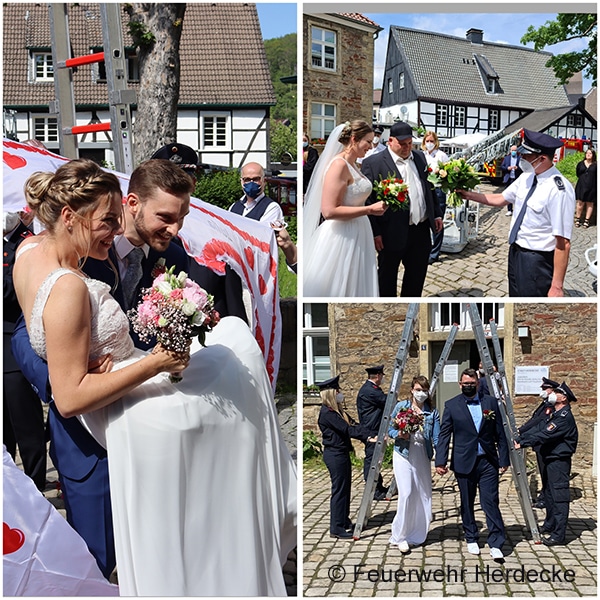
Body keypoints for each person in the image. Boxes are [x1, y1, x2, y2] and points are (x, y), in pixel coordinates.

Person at [12, 159, 296, 595]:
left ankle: (250, 519)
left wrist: (192, 324)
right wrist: (64, 378)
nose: (175, 229)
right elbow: (24, 329)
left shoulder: (172, 253)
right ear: (131, 205)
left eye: (182, 218)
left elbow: (191, 310)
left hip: (148, 419)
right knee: (94, 561)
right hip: (90, 431)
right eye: (165, 217)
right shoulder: (77, 255)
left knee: (172, 534)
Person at [458, 129, 575, 297]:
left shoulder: (558, 189)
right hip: (516, 252)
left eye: (526, 156)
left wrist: (557, 286)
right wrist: (468, 194)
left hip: (537, 260)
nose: (522, 159)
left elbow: (563, 242)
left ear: (542, 158)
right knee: (516, 296)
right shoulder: (527, 177)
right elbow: (500, 199)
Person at [150, 142, 248, 324]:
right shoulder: (143, 232)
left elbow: (232, 303)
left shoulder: (215, 229)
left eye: (181, 180)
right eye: (166, 181)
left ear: (193, 183)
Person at [303, 120, 388, 297]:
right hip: (342, 235)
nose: (371, 146)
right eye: (368, 141)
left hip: (359, 231)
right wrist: (369, 210)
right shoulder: (339, 165)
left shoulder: (354, 165)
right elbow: (329, 211)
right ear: (354, 139)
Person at [362, 121, 444, 297]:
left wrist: (436, 214)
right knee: (386, 278)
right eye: (402, 144)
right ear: (390, 141)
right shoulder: (374, 163)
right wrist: (375, 233)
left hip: (420, 230)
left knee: (416, 278)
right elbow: (368, 201)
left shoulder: (420, 158)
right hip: (390, 231)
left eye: (409, 143)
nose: (407, 148)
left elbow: (428, 188)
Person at [435, 368, 509, 559]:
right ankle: (471, 536)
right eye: (465, 384)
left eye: (472, 383)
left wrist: (504, 458)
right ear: (460, 385)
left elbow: (500, 432)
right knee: (467, 502)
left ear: (478, 384)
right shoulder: (451, 405)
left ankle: (496, 541)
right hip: (464, 461)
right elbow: (444, 435)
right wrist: (440, 461)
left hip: (487, 461)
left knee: (490, 501)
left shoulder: (490, 403)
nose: (468, 386)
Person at [3, 210, 47, 492]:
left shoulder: (28, 244)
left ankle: (36, 490)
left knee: (27, 426)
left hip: (14, 343)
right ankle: (9, 493)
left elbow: (11, 291)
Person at [515, 381, 578, 546]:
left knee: (559, 497)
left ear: (563, 398)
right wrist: (521, 437)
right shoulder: (556, 414)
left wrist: (522, 442)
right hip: (550, 459)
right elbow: (539, 429)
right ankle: (550, 524)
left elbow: (545, 435)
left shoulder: (563, 417)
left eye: (556, 392)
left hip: (558, 461)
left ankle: (559, 534)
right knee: (549, 494)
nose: (552, 394)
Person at [387, 376, 440, 553]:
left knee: (423, 494)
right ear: (411, 389)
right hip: (403, 453)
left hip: (422, 455)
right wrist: (399, 434)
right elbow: (389, 429)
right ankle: (400, 535)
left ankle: (417, 533)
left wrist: (441, 459)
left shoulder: (432, 412)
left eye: (424, 390)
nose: (421, 393)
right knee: (407, 493)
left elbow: (437, 438)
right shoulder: (401, 407)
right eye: (418, 389)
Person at [317, 375, 374, 539]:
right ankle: (336, 527)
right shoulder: (328, 414)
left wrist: (370, 434)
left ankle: (343, 520)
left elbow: (355, 425)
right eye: (337, 390)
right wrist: (368, 438)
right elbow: (347, 430)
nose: (340, 393)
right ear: (331, 394)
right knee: (339, 490)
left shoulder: (338, 411)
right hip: (334, 455)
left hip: (341, 453)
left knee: (345, 488)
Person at [518, 377, 559, 509]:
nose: (542, 391)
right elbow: (534, 419)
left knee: (546, 473)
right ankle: (544, 496)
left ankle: (546, 499)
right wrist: (521, 430)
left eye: (544, 388)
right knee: (543, 472)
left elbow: (539, 423)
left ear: (551, 390)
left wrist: (523, 433)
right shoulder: (546, 404)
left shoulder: (551, 406)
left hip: (545, 444)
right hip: (540, 444)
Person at [356, 365, 389, 500]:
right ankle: (373, 490)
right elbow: (387, 401)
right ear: (377, 376)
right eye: (381, 375)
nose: (382, 378)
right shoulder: (370, 391)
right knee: (371, 460)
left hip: (374, 428)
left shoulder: (372, 389)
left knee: (376, 459)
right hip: (371, 430)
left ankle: (378, 486)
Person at [421, 131, 449, 264]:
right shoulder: (421, 155)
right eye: (427, 141)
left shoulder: (441, 155)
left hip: (438, 190)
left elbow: (447, 173)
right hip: (425, 190)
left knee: (437, 221)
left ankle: (435, 253)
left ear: (436, 141)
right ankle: (425, 249)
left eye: (432, 141)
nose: (429, 143)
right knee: (424, 220)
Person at [574, 148, 597, 228]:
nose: (588, 154)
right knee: (580, 203)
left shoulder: (596, 165)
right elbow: (577, 173)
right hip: (581, 185)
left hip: (592, 186)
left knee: (589, 203)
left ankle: (587, 220)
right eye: (587, 153)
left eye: (590, 153)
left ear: (593, 155)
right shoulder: (580, 164)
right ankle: (578, 219)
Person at [501, 145, 523, 216]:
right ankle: (509, 210)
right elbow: (502, 167)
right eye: (512, 150)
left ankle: (517, 210)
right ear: (510, 151)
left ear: (517, 151)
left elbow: (523, 167)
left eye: (515, 150)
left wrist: (518, 168)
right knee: (509, 195)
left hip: (517, 179)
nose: (514, 152)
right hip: (509, 179)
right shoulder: (506, 158)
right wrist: (507, 168)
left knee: (518, 195)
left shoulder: (520, 159)